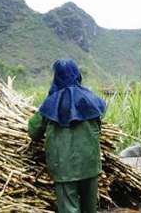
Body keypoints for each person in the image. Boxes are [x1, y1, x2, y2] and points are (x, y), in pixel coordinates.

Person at [28, 58, 106, 213]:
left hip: (64, 168)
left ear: (56, 76)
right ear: (77, 75)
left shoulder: (50, 103)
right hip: (89, 165)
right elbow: (99, 127)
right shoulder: (91, 99)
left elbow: (34, 131)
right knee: (89, 209)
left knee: (69, 208)